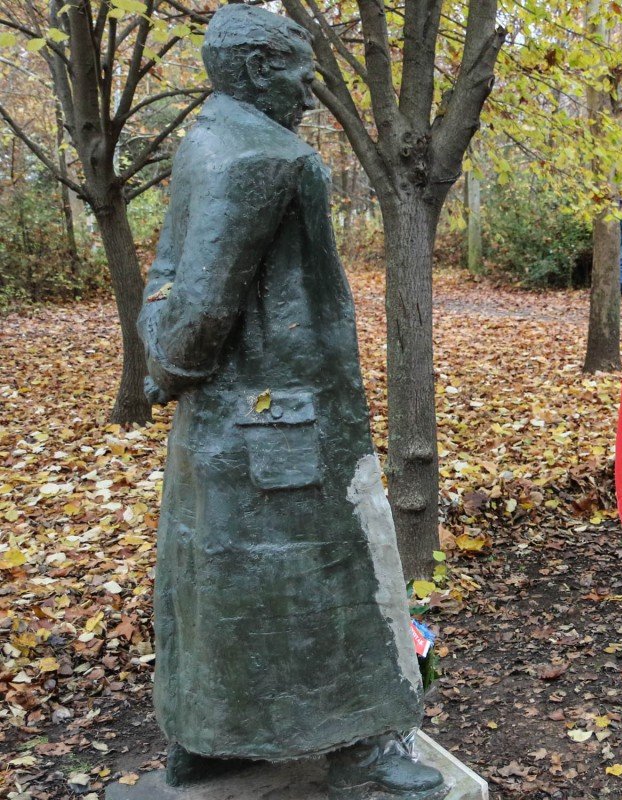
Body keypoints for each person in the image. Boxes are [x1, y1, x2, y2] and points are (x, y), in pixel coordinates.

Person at [137, 6, 442, 797]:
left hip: (223, 426)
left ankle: (208, 739)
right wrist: (170, 357)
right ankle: (357, 751)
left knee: (220, 583)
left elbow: (167, 278)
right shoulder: (264, 156)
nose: (310, 94)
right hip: (282, 431)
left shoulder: (205, 137)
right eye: (302, 76)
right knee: (329, 580)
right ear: (256, 68)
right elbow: (198, 312)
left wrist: (162, 354)